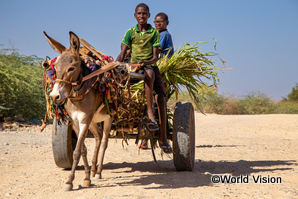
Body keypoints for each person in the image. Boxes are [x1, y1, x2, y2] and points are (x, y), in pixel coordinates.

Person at [116, 3, 172, 153]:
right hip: (133, 66)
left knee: (159, 95)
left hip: (148, 65)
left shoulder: (154, 33)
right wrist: (117, 63)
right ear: (135, 16)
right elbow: (123, 51)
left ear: (148, 15)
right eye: (139, 13)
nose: (141, 16)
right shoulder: (130, 32)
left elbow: (155, 57)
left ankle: (161, 135)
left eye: (144, 13)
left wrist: (145, 63)